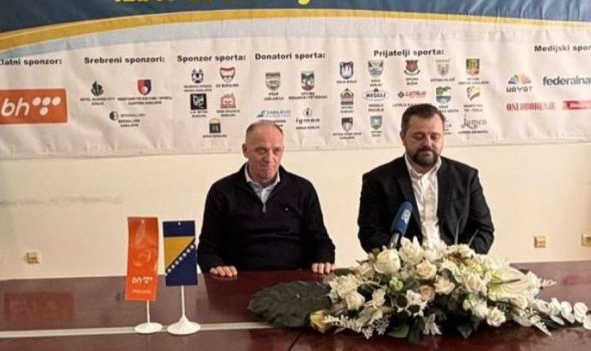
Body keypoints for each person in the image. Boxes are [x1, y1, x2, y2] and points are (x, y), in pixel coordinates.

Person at [197, 120, 336, 277]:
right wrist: (216, 266)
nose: (270, 158)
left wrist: (323, 260)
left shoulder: (303, 189)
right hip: (238, 280)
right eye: (261, 150)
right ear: (245, 150)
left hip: (294, 281)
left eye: (276, 150)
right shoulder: (222, 191)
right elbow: (207, 250)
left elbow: (321, 241)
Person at [358, 104, 494, 254]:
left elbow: (483, 230)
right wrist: (407, 258)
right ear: (403, 137)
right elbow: (369, 234)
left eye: (434, 137)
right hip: (403, 265)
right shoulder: (378, 180)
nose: (427, 144)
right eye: (419, 137)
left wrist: (459, 258)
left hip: (455, 265)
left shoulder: (466, 177)